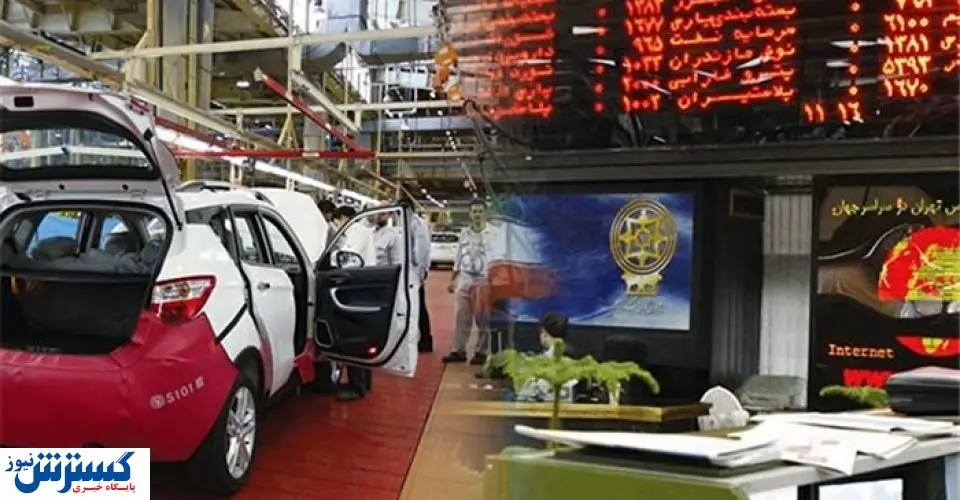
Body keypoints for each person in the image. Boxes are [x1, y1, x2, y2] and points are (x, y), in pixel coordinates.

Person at [329, 205, 376, 402]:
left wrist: (328, 259)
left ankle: (357, 386)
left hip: (356, 287)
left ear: (343, 218)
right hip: (363, 286)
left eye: (337, 221)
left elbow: (347, 256)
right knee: (362, 336)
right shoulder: (362, 230)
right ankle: (364, 381)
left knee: (353, 336)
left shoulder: (356, 231)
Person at [443, 199, 493, 366]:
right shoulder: (464, 233)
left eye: (480, 211)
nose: (477, 214)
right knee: (461, 316)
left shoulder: (493, 234)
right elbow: (458, 256)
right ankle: (459, 350)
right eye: (474, 211)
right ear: (470, 214)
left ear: (485, 213)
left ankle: (481, 352)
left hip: (484, 279)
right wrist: (453, 279)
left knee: (483, 317)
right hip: (465, 278)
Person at [514, 312, 580, 402]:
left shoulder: (539, 364)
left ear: (544, 333)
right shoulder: (577, 359)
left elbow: (524, 398)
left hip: (545, 408)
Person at [399, 197, 434, 353]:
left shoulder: (418, 224)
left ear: (410, 209)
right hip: (404, 272)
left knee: (418, 307)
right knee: (406, 307)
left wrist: (420, 272)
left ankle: (426, 339)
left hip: (414, 272)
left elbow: (422, 249)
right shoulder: (401, 223)